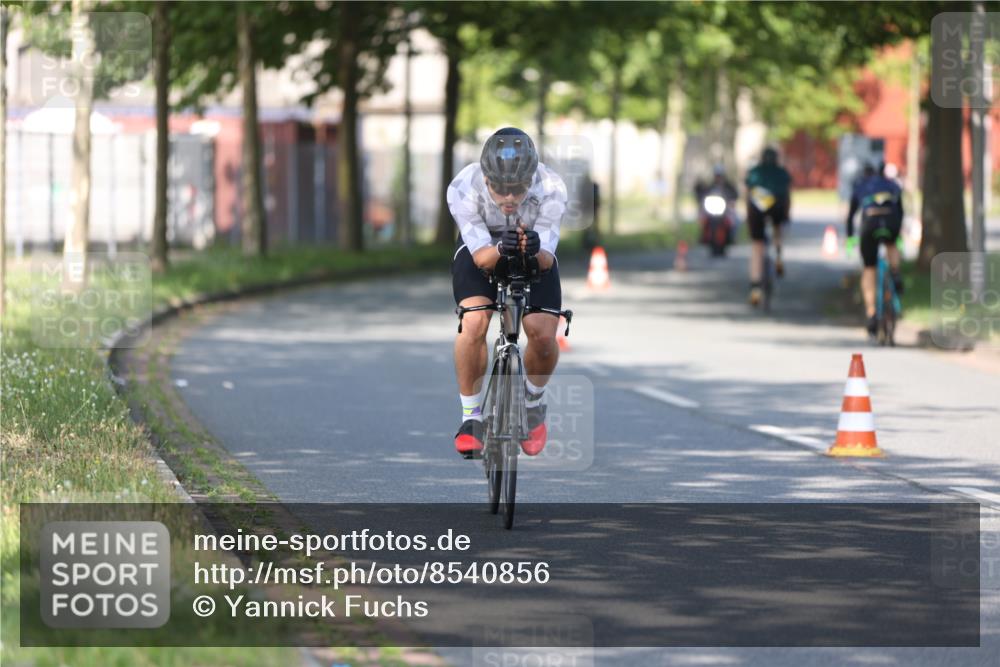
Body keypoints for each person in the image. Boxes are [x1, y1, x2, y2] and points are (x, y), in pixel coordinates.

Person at [447, 127, 568, 458]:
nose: (509, 197)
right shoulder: (463, 186)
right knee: (474, 322)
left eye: (518, 189)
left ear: (531, 180)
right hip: (483, 247)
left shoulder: (551, 187)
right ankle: (471, 418)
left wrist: (533, 248)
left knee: (543, 334)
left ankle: (532, 403)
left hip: (534, 250)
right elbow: (481, 258)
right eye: (499, 188)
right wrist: (501, 247)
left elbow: (546, 260)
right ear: (485, 178)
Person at [845, 162, 904, 337]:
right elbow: (900, 211)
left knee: (869, 268)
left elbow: (851, 216)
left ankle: (871, 314)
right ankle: (895, 272)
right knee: (891, 244)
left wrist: (850, 237)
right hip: (891, 220)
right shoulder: (891, 184)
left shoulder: (860, 186)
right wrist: (898, 231)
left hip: (870, 223)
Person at [744, 147, 792, 305]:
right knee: (777, 228)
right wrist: (786, 216)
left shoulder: (754, 172)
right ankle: (778, 257)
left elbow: (748, 194)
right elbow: (787, 196)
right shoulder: (782, 173)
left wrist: (749, 218)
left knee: (757, 246)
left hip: (757, 207)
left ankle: (755, 288)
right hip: (778, 205)